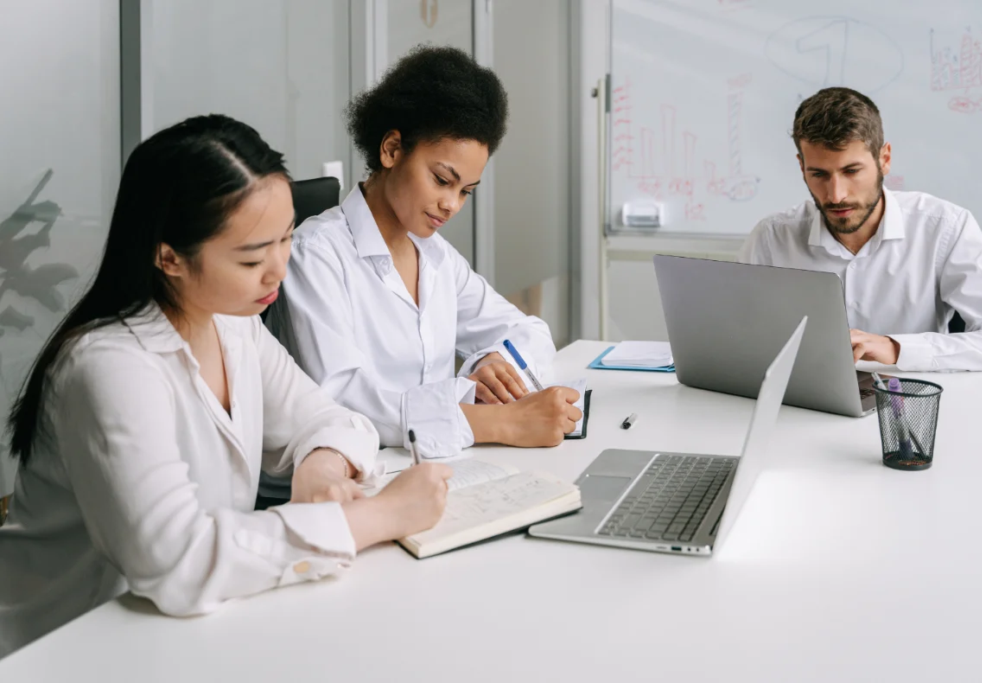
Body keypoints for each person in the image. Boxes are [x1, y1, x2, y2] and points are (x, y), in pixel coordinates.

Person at [0, 115, 452, 658]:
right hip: (62, 649)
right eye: (252, 256)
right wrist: (370, 518)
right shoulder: (109, 365)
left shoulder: (231, 323)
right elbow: (176, 560)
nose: (278, 271)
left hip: (183, 634)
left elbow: (330, 418)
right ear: (168, 256)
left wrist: (322, 466)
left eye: (286, 239)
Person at [267, 46, 581, 459]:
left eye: (465, 191)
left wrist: (489, 364)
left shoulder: (435, 256)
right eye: (441, 180)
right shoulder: (316, 254)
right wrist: (495, 420)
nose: (452, 204)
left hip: (436, 464)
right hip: (349, 478)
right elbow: (343, 399)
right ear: (392, 150)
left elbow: (530, 333)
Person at [739, 87, 982, 371]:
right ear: (802, 167)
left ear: (884, 159)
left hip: (910, 408)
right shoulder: (771, 238)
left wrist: (898, 349)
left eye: (851, 171)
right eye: (819, 174)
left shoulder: (944, 228)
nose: (836, 195)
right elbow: (734, 339)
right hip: (799, 406)